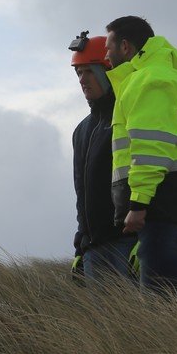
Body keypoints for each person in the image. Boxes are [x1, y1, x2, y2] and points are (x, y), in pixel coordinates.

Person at [104, 16, 177, 309]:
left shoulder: (147, 80)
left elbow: (152, 149)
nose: (105, 56)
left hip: (161, 211)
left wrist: (138, 205)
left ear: (125, 47)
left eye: (109, 48)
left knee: (161, 315)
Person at [69, 32, 136, 281]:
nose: (82, 80)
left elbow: (151, 173)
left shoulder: (131, 115)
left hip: (128, 243)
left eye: (88, 71)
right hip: (93, 250)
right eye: (78, 73)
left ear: (107, 72)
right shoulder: (81, 131)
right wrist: (81, 247)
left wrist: (145, 238)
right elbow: (81, 194)